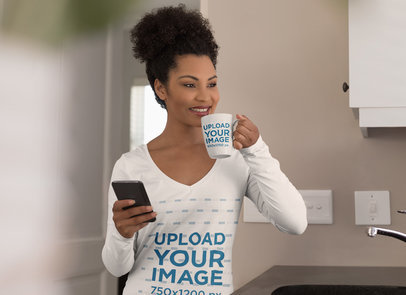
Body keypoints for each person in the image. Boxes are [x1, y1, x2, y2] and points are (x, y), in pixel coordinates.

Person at [102, 5, 307, 295]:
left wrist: (257, 149)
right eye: (189, 84)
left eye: (212, 84)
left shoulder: (238, 159)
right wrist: (122, 236)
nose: (205, 96)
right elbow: (117, 268)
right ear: (162, 89)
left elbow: (295, 223)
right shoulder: (132, 166)